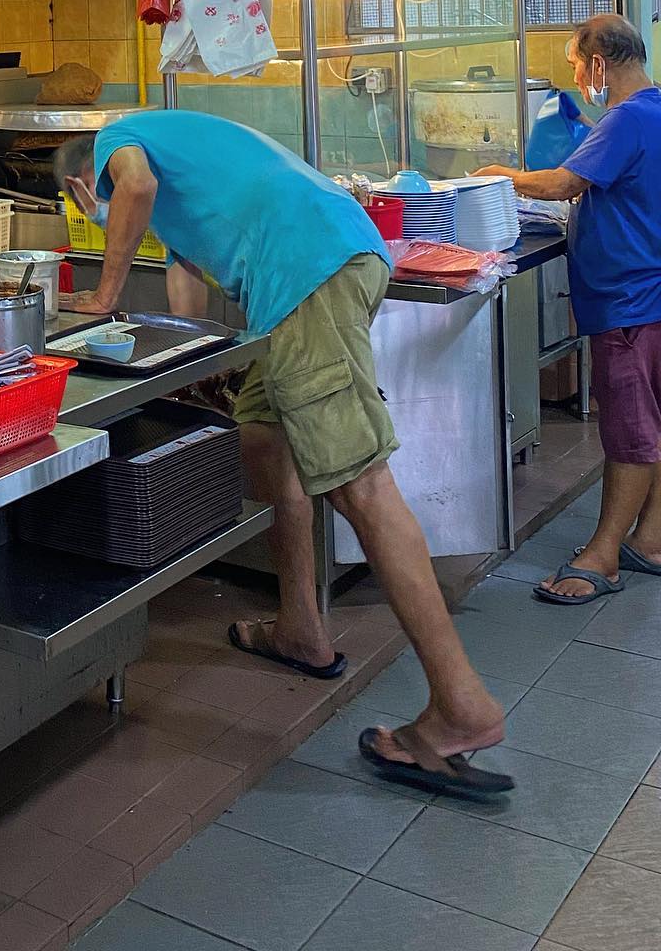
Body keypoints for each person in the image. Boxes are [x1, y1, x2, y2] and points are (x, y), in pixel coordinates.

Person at [56, 111, 513, 799]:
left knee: (362, 488)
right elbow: (189, 277)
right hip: (326, 262)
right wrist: (203, 349)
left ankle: (460, 706)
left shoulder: (117, 143)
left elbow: (136, 186)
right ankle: (301, 625)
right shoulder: (178, 149)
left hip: (308, 274)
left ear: (78, 181)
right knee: (264, 438)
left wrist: (104, 295)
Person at [478, 13, 661, 605]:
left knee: (631, 431)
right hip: (650, 295)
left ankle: (603, 557)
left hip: (630, 302)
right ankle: (652, 540)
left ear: (600, 63)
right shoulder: (654, 111)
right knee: (654, 422)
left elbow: (563, 184)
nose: (579, 77)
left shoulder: (628, 119)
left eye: (579, 66)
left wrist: (503, 179)